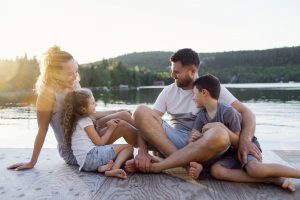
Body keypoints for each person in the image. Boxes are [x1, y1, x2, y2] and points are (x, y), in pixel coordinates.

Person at [125, 48, 261, 176]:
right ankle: (184, 165)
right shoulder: (168, 91)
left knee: (220, 134)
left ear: (192, 71)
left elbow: (247, 113)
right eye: (172, 71)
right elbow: (144, 124)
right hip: (175, 143)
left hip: (204, 146)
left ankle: (168, 163)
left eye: (176, 72)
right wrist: (142, 152)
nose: (172, 75)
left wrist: (245, 140)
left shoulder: (211, 88)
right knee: (140, 111)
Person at [7, 46, 138, 171]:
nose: (75, 77)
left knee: (124, 115)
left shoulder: (74, 84)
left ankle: (152, 147)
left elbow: (88, 114)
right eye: (70, 73)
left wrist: (116, 112)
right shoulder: (47, 94)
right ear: (55, 74)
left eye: (76, 71)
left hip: (87, 134)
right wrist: (32, 162)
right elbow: (42, 130)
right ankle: (149, 151)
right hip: (75, 149)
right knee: (121, 125)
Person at [188, 74, 299, 192]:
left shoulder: (228, 111)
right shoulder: (201, 116)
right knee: (216, 171)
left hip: (244, 146)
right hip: (228, 154)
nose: (193, 97)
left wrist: (221, 128)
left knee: (255, 170)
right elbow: (192, 142)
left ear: (204, 92)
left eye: (195, 94)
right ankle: (273, 179)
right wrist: (196, 137)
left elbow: (238, 141)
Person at [61, 89, 133, 178]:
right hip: (91, 156)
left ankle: (102, 168)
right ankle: (114, 168)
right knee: (129, 148)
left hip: (84, 165)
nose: (95, 105)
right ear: (83, 109)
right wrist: (110, 129)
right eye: (93, 103)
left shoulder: (75, 122)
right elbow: (100, 143)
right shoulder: (86, 121)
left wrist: (116, 112)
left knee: (124, 155)